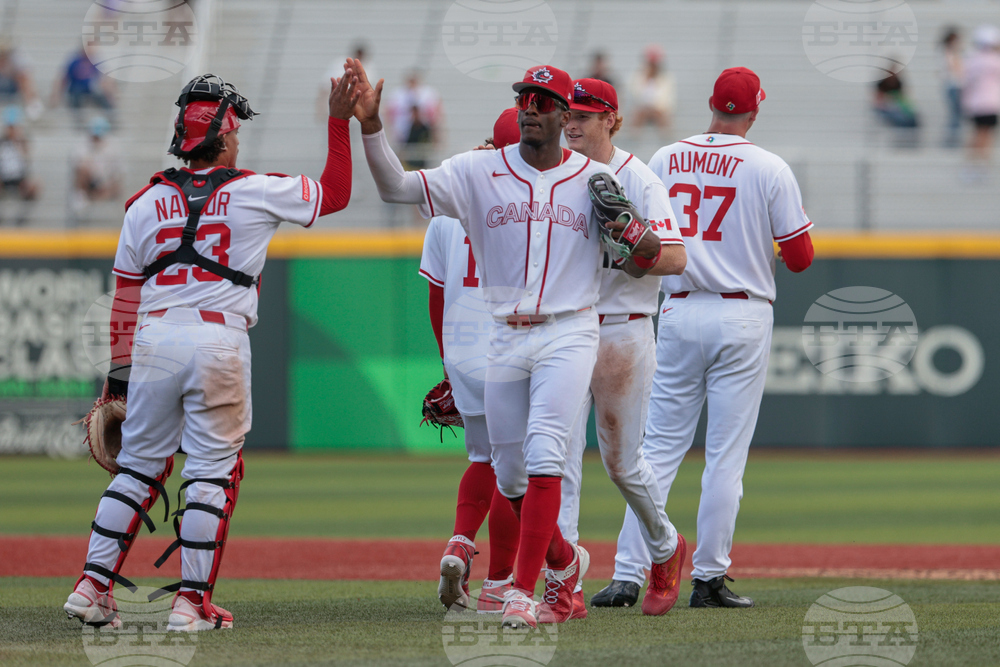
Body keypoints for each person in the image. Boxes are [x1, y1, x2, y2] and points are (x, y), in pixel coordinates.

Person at [348, 57, 660, 629]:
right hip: (503, 333)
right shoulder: (477, 171)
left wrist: (637, 240)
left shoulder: (595, 183)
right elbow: (396, 187)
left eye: (542, 102)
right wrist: (370, 126)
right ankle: (564, 570)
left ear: (566, 115)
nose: (530, 109)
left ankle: (522, 588)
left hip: (570, 330)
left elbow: (645, 261)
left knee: (544, 456)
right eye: (524, 99)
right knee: (510, 476)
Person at [63, 72, 358, 632]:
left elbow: (126, 297)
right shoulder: (255, 189)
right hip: (217, 338)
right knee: (211, 473)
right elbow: (336, 193)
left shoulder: (144, 202)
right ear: (222, 137)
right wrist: (337, 120)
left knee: (137, 470)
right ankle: (190, 603)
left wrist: (117, 381)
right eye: (236, 132)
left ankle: (91, 586)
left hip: (152, 340)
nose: (239, 141)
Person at [603, 67, 814, 609]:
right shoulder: (768, 166)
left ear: (711, 104)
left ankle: (629, 573)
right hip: (741, 311)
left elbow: (637, 234)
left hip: (676, 307)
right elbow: (800, 257)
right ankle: (708, 578)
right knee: (725, 456)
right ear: (755, 109)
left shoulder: (666, 158)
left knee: (654, 451)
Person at [556, 78, 688, 617]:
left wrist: (636, 240)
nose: (573, 123)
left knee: (622, 464)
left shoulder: (640, 178)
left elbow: (676, 261)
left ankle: (665, 545)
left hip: (623, 328)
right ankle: (561, 579)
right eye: (570, 114)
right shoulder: (555, 175)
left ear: (613, 120)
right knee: (556, 460)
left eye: (586, 115)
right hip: (564, 326)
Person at [427, 109, 523, 615]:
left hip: (463, 349)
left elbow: (435, 296)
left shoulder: (448, 202)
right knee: (516, 471)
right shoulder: (529, 199)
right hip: (511, 345)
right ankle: (500, 581)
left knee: (481, 458)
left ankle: (460, 543)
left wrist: (447, 361)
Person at [69, 116, 121, 224]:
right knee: (82, 170)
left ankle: (90, 199)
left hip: (105, 184)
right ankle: (83, 197)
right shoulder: (82, 146)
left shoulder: (113, 149)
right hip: (90, 181)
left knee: (116, 184)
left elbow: (117, 175)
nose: (96, 139)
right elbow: (79, 167)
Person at [963, 25, 1000, 167]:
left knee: (977, 134)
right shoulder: (995, 60)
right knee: (985, 135)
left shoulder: (973, 59)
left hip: (976, 103)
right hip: (989, 103)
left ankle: (971, 162)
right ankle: (980, 164)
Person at [52, 47, 116, 126]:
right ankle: (78, 118)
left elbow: (104, 79)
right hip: (76, 89)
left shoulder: (95, 62)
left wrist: (110, 93)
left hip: (90, 89)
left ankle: (111, 117)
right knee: (76, 94)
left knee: (101, 96)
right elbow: (64, 78)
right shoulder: (74, 62)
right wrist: (56, 95)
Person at [0, 106, 39, 225]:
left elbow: (27, 160)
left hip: (19, 179)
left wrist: (17, 142)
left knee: (34, 187)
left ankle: (21, 218)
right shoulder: (1, 142)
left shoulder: (22, 142)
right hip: (3, 179)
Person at [627, 46, 676, 138]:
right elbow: (635, 93)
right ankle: (634, 136)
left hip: (658, 109)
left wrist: (655, 107)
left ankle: (665, 137)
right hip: (643, 108)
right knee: (637, 114)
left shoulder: (665, 78)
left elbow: (667, 98)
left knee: (663, 116)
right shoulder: (639, 76)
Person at [941, 28, 964, 148]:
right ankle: (951, 142)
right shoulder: (948, 53)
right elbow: (957, 69)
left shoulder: (951, 53)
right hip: (953, 87)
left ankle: (953, 140)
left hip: (955, 87)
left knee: (956, 115)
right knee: (955, 115)